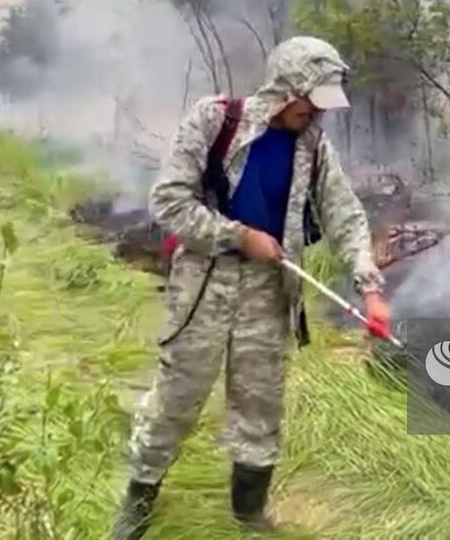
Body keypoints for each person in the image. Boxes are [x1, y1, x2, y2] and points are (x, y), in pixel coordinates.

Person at [114, 36, 390, 538]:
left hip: (268, 291)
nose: (317, 115)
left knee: (260, 404)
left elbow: (345, 214)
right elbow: (169, 201)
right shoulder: (215, 122)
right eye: (313, 102)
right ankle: (138, 500)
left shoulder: (313, 149)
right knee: (177, 396)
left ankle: (249, 514)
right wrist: (238, 236)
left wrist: (369, 286)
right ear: (287, 89)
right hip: (204, 285)